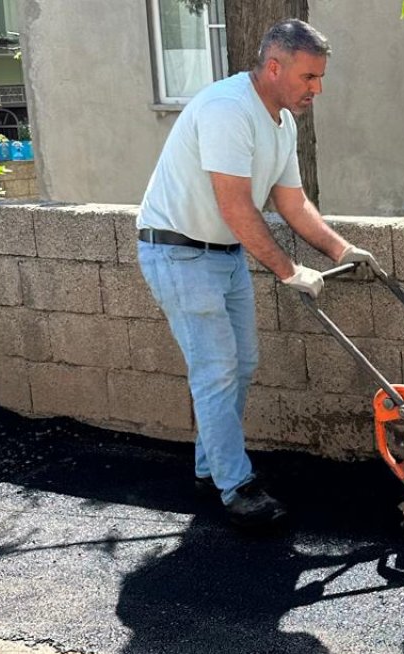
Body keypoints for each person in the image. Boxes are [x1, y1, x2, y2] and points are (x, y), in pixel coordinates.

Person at [135, 19, 373, 527]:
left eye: (320, 77)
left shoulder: (282, 123)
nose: (318, 89)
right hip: (178, 252)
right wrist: (289, 271)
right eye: (309, 77)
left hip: (224, 254)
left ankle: (211, 468)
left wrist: (342, 250)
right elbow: (237, 207)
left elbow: (292, 202)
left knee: (241, 365)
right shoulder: (228, 109)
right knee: (217, 370)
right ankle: (236, 487)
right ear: (274, 67)